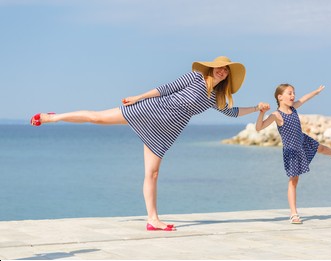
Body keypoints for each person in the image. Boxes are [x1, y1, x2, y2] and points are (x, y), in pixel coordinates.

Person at [31, 56, 263, 231]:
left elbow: (232, 113)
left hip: (167, 129)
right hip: (151, 110)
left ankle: (152, 219)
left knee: (152, 174)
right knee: (97, 117)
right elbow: (165, 89)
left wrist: (255, 108)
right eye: (220, 67)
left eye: (226, 71)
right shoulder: (195, 77)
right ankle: (53, 117)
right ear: (212, 67)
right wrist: (138, 97)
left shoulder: (216, 97)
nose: (222, 72)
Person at [255, 83, 331, 224]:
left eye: (293, 93)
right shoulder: (276, 115)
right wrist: (261, 112)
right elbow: (259, 127)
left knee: (322, 148)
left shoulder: (293, 108)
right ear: (280, 97)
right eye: (289, 93)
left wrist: (316, 92)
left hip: (303, 140)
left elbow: (305, 98)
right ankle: (294, 214)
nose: (293, 95)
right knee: (293, 181)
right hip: (292, 151)